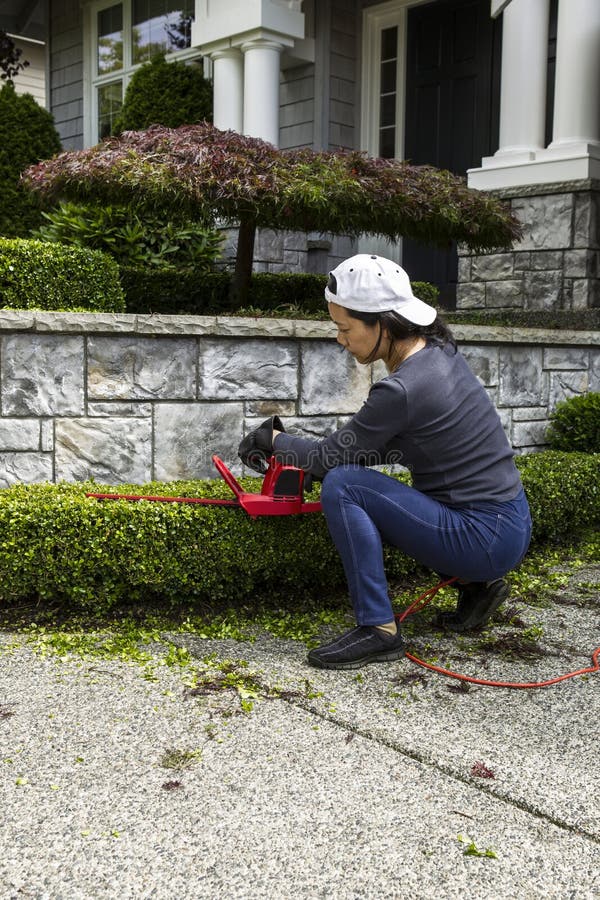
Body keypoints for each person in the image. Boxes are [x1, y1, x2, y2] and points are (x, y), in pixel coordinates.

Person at [238, 254, 532, 671]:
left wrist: (273, 440)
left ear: (382, 322)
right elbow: (382, 448)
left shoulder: (405, 387)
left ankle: (379, 629)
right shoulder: (438, 354)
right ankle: (476, 587)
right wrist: (298, 454)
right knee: (354, 480)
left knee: (344, 484)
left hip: (481, 538)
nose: (340, 339)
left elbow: (333, 459)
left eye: (345, 328)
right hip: (510, 525)